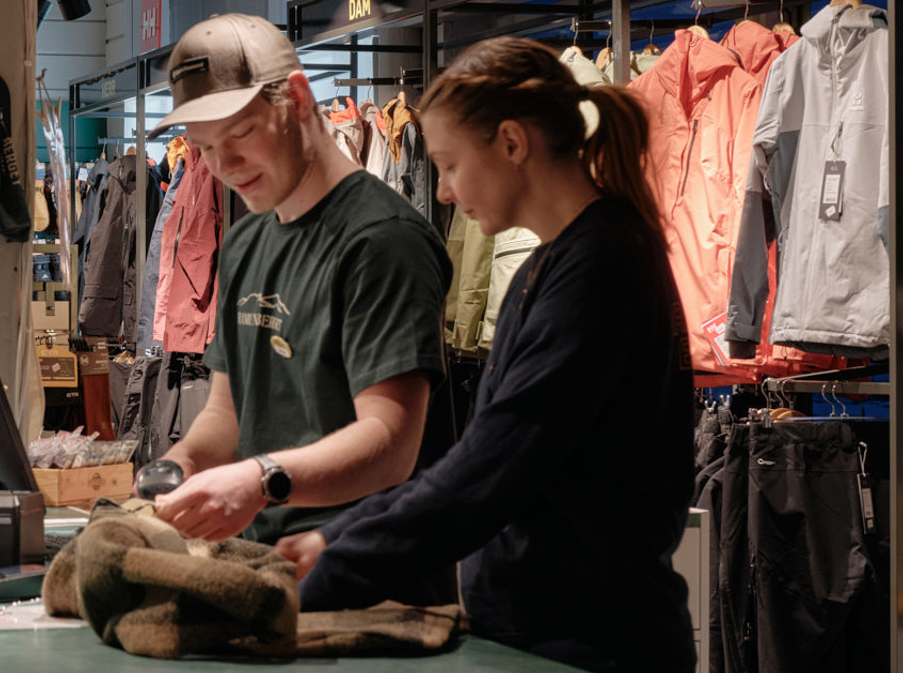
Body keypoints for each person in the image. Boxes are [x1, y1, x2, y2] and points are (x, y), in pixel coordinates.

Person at [273, 36, 696, 673]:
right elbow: (482, 460)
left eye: (448, 164)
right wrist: (334, 539)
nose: (441, 193)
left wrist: (329, 572)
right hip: (544, 635)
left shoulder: (601, 266)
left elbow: (491, 472)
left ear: (511, 143)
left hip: (592, 645)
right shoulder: (555, 265)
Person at [144, 14, 456, 606]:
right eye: (206, 148)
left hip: (372, 589)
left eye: (240, 133)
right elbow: (226, 414)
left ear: (297, 97)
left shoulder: (382, 239)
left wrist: (259, 481)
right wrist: (183, 463)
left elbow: (390, 444)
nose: (224, 165)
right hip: (267, 576)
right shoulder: (245, 242)